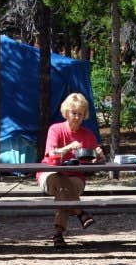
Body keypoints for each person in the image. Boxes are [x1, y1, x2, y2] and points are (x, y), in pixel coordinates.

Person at [37, 92, 105, 249]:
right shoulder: (55, 129)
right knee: (61, 181)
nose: (76, 117)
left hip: (75, 177)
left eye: (80, 114)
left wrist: (99, 156)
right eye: (74, 113)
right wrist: (68, 147)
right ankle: (80, 213)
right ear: (67, 113)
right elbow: (51, 154)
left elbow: (95, 159)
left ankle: (58, 234)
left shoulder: (87, 134)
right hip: (50, 174)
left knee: (64, 190)